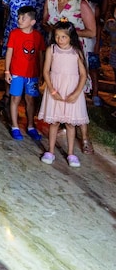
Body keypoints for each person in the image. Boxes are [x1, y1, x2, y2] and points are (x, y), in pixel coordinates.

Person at [42, 0, 96, 152]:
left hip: (75, 52)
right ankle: (62, 122)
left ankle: (85, 137)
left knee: (77, 93)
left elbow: (92, 31)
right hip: (56, 52)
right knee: (59, 88)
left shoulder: (80, 4)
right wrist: (53, 32)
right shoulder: (50, 2)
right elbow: (44, 22)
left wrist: (69, 34)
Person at [38, 21, 89, 168]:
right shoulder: (52, 50)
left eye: (63, 37)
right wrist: (52, 90)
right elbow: (46, 71)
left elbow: (83, 75)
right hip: (56, 90)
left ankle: (71, 153)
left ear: (71, 37)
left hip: (71, 91)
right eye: (57, 36)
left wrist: (76, 93)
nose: (60, 40)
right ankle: (50, 151)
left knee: (70, 124)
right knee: (54, 122)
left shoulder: (76, 52)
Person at [4, 6, 46, 142]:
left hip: (32, 75)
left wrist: (41, 74)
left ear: (32, 22)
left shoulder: (38, 36)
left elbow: (40, 56)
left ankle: (31, 126)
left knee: (30, 100)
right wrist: (7, 70)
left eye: (23, 18)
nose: (19, 20)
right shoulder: (14, 34)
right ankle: (15, 126)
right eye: (19, 17)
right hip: (17, 73)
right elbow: (9, 52)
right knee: (15, 98)